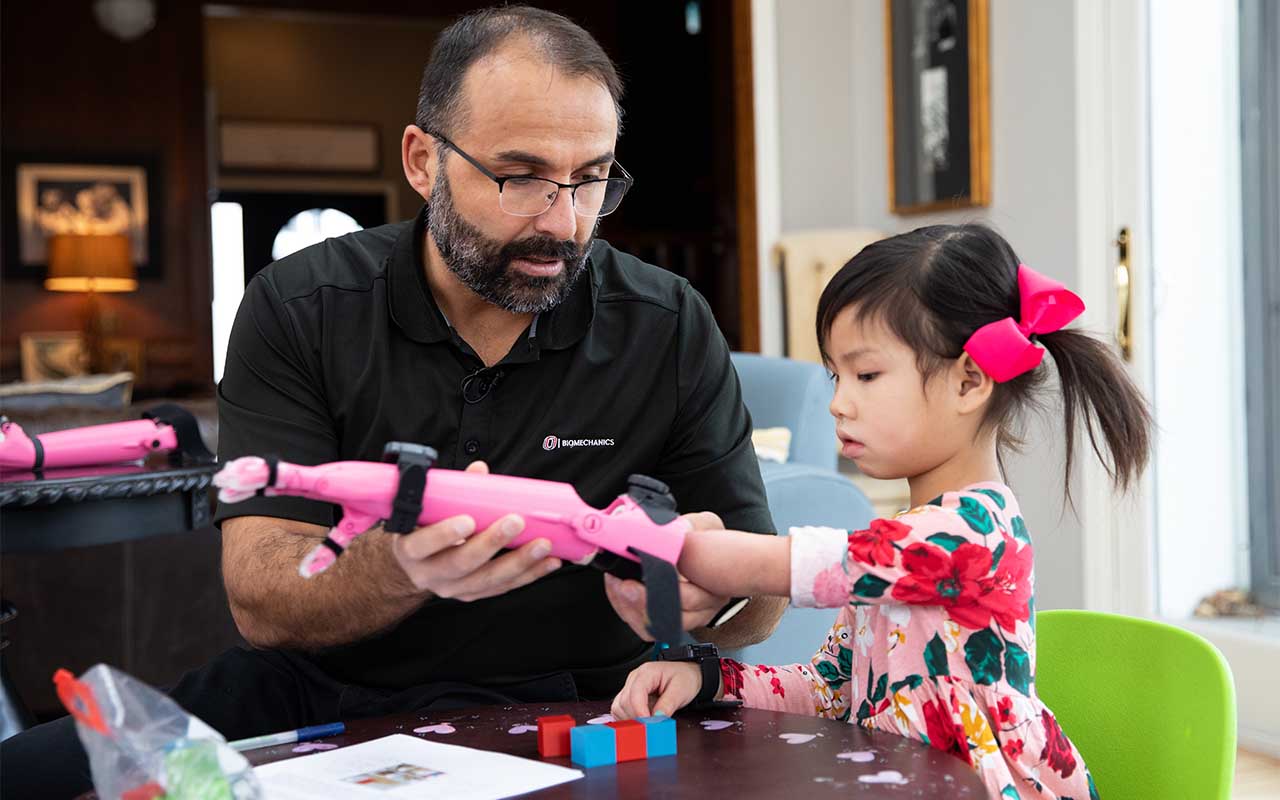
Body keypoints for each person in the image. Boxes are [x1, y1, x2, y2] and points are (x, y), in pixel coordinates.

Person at [0, 7, 786, 798]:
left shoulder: (667, 320)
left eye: (590, 180)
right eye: (521, 177)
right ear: (422, 161)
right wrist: (399, 565)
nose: (563, 222)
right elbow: (261, 598)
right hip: (323, 692)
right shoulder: (300, 307)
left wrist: (712, 596)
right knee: (32, 776)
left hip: (591, 700)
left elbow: (761, 599)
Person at [611, 224, 1153, 799]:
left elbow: (798, 565)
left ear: (969, 381)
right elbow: (827, 690)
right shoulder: (889, 551)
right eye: (835, 376)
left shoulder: (973, 530)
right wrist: (708, 679)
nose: (838, 404)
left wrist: (686, 547)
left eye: (866, 375)